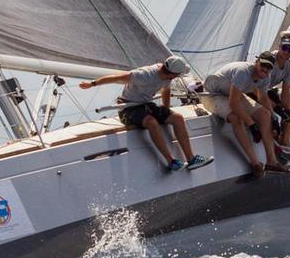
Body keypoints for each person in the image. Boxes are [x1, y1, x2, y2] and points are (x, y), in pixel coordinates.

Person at [80, 56, 213, 172]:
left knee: (177, 118)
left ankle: (191, 159)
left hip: (146, 105)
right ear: (173, 73)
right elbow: (116, 78)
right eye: (178, 74)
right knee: (151, 122)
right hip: (128, 108)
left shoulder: (167, 77)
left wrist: (166, 109)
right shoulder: (144, 75)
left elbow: (165, 90)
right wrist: (92, 84)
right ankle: (171, 161)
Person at [202, 52, 290, 178]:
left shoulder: (265, 77)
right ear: (256, 62)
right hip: (213, 95)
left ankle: (272, 162)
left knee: (264, 115)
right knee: (236, 117)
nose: (265, 69)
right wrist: (252, 124)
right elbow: (233, 103)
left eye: (269, 67)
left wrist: (273, 116)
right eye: (263, 65)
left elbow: (263, 98)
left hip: (232, 93)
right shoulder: (243, 72)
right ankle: (255, 164)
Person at [264, 36, 290, 163]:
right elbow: (256, 85)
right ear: (279, 46)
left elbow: (286, 93)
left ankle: (285, 144)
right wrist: (274, 108)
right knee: (271, 112)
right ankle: (274, 140)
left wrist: (287, 110)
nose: (286, 52)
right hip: (253, 89)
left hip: (266, 91)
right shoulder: (270, 59)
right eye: (284, 48)